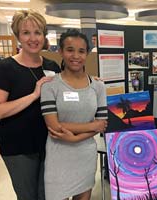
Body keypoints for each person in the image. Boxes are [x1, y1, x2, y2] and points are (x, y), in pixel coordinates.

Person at [0, 10, 60, 200]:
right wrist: (34, 95)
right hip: (19, 147)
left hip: (50, 143)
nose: (33, 38)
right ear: (18, 37)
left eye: (37, 32)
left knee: (47, 195)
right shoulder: (6, 68)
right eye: (26, 33)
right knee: (28, 196)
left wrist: (90, 83)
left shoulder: (52, 66)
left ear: (44, 35)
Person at [40, 29, 108, 200]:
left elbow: (103, 124)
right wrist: (92, 125)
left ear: (87, 54)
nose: (75, 56)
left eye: (81, 51)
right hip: (58, 156)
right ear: (61, 52)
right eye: (70, 50)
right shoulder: (50, 85)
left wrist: (75, 137)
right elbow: (53, 126)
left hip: (85, 156)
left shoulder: (98, 86)